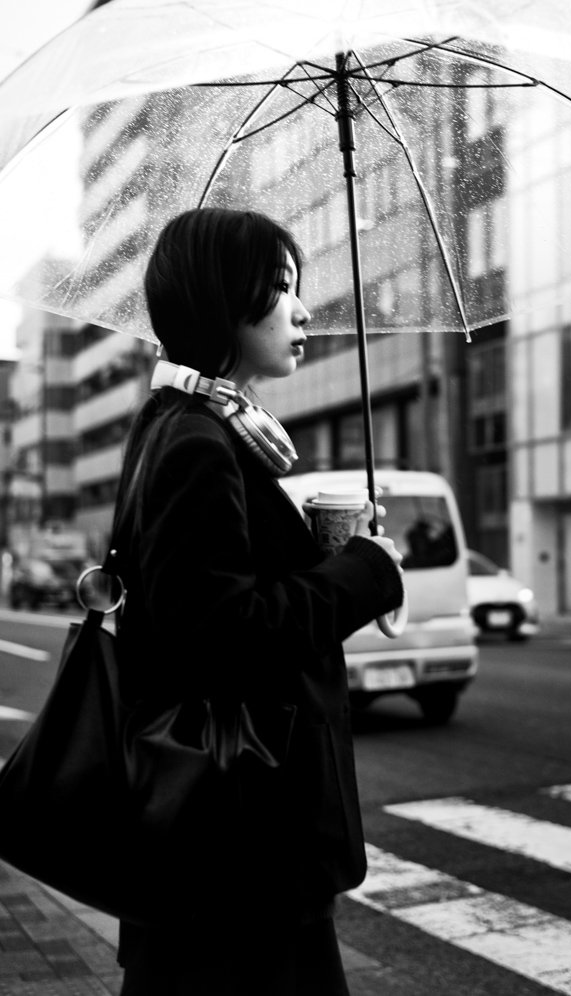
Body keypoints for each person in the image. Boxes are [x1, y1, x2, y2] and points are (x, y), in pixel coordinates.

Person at [109, 207, 404, 995]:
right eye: (279, 288)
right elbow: (222, 633)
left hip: (224, 851)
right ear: (221, 300)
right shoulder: (199, 442)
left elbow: (212, 596)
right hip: (238, 849)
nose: (302, 308)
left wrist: (316, 551)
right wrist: (366, 572)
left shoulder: (192, 425)